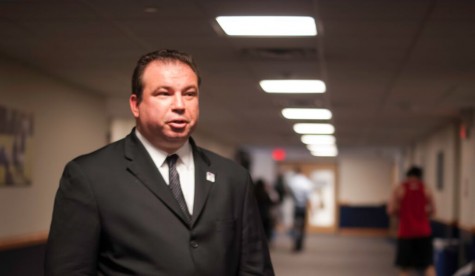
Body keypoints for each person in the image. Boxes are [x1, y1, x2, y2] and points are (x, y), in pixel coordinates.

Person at [45, 49, 275, 275]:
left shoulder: (232, 177)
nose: (179, 105)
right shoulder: (89, 176)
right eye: (164, 93)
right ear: (136, 105)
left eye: (189, 94)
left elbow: (255, 267)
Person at [387, 166, 436, 276]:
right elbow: (433, 210)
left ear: (408, 176)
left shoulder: (400, 188)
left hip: (406, 232)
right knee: (428, 266)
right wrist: (421, 215)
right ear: (420, 176)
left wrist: (402, 212)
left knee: (404, 268)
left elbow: (391, 210)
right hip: (424, 232)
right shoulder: (426, 189)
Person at [285, 168, 313, 252]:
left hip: (295, 207)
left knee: (296, 226)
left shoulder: (292, 181)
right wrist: (311, 209)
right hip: (303, 207)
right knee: (302, 227)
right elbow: (308, 198)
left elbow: (288, 192)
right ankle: (300, 245)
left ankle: (295, 244)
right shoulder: (307, 182)